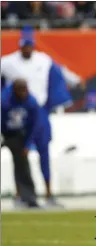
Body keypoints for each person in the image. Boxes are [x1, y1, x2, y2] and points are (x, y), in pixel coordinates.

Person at [1, 26, 72, 208]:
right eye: (24, 45)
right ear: (20, 45)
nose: (27, 49)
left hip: (39, 110)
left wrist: (76, 80)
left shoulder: (43, 59)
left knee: (44, 151)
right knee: (18, 155)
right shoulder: (7, 62)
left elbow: (61, 71)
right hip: (17, 112)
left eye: (29, 45)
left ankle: (48, 194)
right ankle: (20, 195)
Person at [1, 79, 41, 208]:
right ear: (14, 90)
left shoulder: (31, 102)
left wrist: (28, 144)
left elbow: (33, 125)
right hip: (4, 131)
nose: (23, 93)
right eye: (20, 90)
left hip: (19, 134)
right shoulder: (4, 100)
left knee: (22, 165)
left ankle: (29, 197)